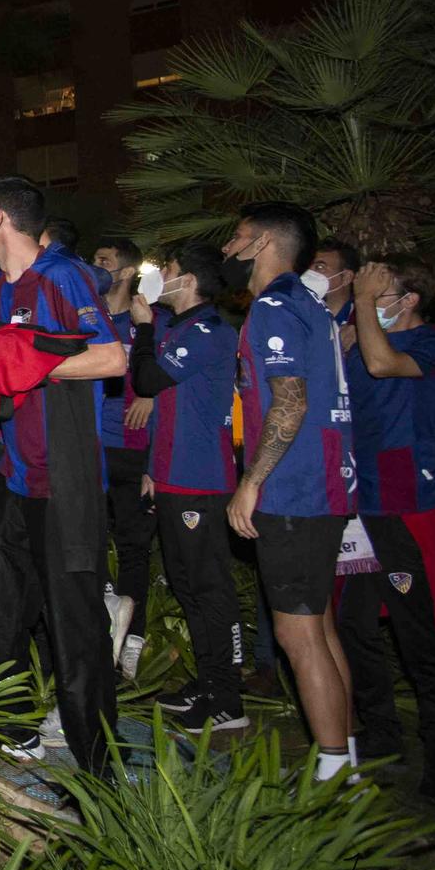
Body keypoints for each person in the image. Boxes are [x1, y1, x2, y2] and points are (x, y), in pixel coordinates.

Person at [0, 176, 125, 777]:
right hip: (15, 471)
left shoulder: (62, 276)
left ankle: (98, 771)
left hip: (63, 479)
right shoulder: (8, 290)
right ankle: (12, 729)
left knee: (73, 626)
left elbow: (111, 358)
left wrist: (34, 366)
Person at [222, 201, 357, 783]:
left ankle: (332, 773)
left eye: (235, 237)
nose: (227, 250)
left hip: (296, 491)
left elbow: (291, 401)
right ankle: (344, 756)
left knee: (296, 633)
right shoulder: (311, 305)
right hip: (326, 486)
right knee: (319, 627)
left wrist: (251, 483)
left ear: (259, 243)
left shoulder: (276, 306)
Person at [339, 255, 435, 804]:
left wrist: (363, 306)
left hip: (411, 505)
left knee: (425, 635)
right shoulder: (358, 332)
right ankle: (382, 734)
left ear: (409, 299)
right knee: (354, 624)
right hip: (359, 503)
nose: (368, 296)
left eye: (382, 290)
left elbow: (384, 364)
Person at [125, 245, 246, 730]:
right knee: (187, 586)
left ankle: (228, 700)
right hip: (173, 475)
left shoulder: (209, 331)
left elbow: (149, 379)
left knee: (210, 589)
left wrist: (145, 329)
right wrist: (153, 467)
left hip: (201, 480)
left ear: (190, 280)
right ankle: (209, 682)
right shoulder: (181, 329)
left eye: (169, 270)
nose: (162, 278)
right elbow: (168, 411)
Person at [92, 236, 154, 677]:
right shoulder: (88, 315)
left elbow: (170, 382)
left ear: (128, 271)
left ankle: (133, 640)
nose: (96, 266)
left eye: (105, 259)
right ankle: (105, 618)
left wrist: (151, 394)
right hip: (91, 447)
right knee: (89, 539)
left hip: (135, 451)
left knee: (135, 547)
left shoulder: (148, 320)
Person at [310, 238, 360, 325]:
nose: (308, 274)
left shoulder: (360, 321)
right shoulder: (295, 313)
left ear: (346, 277)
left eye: (319, 267)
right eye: (306, 267)